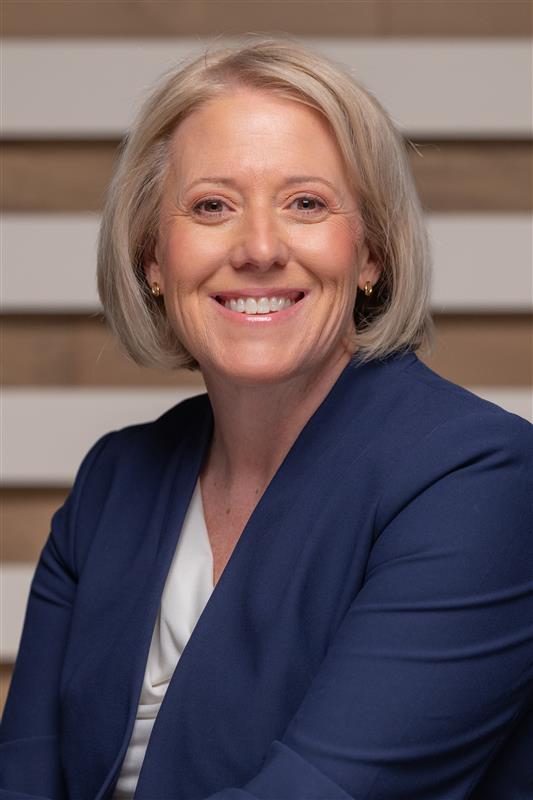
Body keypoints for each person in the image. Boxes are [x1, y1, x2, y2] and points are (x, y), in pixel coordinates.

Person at [1, 37, 532, 800]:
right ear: (154, 256)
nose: (257, 248)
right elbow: (22, 775)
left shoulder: (481, 480)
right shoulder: (113, 482)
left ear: (370, 253)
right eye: (211, 205)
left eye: (305, 204)